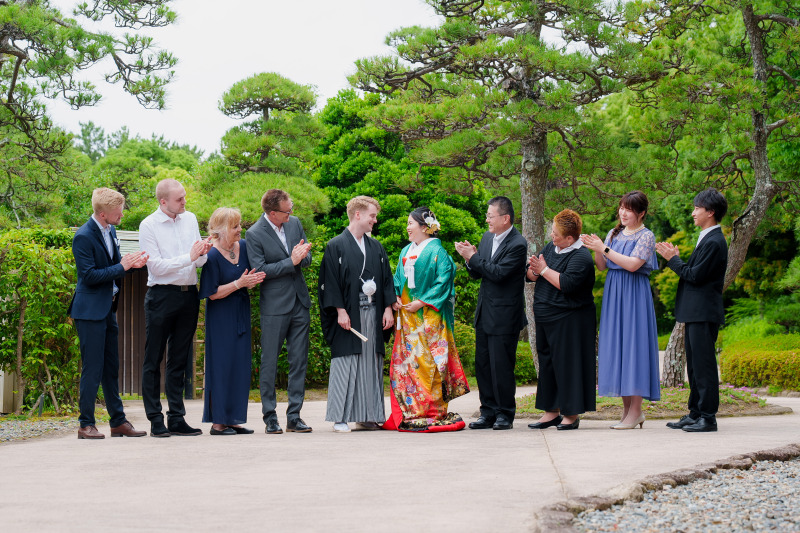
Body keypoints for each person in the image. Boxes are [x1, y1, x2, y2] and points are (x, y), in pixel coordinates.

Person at [70, 188, 149, 439]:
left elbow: (113, 267)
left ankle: (118, 422)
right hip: (89, 311)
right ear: (102, 214)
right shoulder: (83, 236)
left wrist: (131, 265)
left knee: (111, 367)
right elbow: (90, 276)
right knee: (92, 369)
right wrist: (121, 266)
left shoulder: (110, 230)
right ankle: (86, 424)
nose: (122, 215)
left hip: (108, 309)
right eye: (118, 212)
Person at [385, 207, 470, 432]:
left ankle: (432, 410)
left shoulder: (439, 253)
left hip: (429, 317)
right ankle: (412, 410)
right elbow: (396, 278)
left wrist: (421, 302)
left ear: (424, 227)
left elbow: (444, 281)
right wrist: (394, 296)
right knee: (409, 362)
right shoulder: (406, 250)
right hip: (406, 315)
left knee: (429, 362)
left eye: (410, 223)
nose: (407, 227)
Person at [139, 178, 212, 437]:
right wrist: (189, 257)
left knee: (179, 359)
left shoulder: (190, 218)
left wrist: (203, 252)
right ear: (163, 202)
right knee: (153, 358)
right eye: (179, 199)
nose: (184, 202)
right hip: (161, 295)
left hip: (188, 295)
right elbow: (156, 266)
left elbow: (199, 261)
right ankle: (155, 419)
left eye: (184, 197)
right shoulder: (148, 225)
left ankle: (177, 418)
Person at [581, 191, 660, 430]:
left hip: (634, 294)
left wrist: (603, 248)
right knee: (620, 348)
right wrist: (596, 248)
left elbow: (634, 265)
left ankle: (636, 411)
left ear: (641, 213)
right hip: (615, 293)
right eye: (621, 208)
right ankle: (628, 411)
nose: (623, 213)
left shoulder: (647, 236)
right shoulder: (613, 233)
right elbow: (603, 266)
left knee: (634, 348)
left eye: (629, 209)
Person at [318, 196, 395, 433]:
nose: (375, 220)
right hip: (349, 313)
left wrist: (388, 308)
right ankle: (339, 417)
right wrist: (339, 310)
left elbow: (385, 279)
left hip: (373, 310)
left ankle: (368, 415)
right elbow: (329, 281)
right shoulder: (336, 245)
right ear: (358, 215)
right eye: (372, 215)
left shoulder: (376, 246)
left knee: (371, 362)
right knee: (346, 362)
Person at [656, 188, 728, 433]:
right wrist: (677, 259)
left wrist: (672, 259)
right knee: (695, 366)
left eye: (697, 208)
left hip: (704, 312)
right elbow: (695, 273)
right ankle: (695, 412)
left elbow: (694, 276)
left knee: (704, 365)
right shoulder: (706, 237)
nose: (693, 212)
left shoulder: (715, 240)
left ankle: (708, 417)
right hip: (696, 311)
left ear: (711, 212)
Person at [455, 196, 527, 430]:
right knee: (483, 365)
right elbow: (479, 273)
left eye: (490, 216)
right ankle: (487, 411)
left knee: (501, 366)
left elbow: (497, 273)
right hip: (484, 312)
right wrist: (470, 260)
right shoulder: (487, 237)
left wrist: (472, 258)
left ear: (505, 218)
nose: (487, 219)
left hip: (505, 316)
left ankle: (505, 413)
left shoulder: (518, 244)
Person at [247, 189, 314, 434]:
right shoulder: (254, 233)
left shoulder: (294, 223)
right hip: (274, 306)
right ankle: (270, 417)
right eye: (287, 210)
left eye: (291, 207)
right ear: (272, 213)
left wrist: (303, 256)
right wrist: (291, 261)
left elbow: (306, 258)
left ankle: (294, 416)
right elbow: (260, 269)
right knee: (270, 362)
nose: (292, 213)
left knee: (299, 361)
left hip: (300, 302)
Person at [526, 209, 596, 431]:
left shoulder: (582, 256)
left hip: (570, 318)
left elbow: (565, 284)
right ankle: (551, 411)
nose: (552, 236)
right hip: (545, 316)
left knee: (568, 365)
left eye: (556, 233)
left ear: (570, 238)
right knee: (548, 364)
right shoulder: (551, 247)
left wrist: (544, 269)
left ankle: (571, 414)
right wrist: (535, 270)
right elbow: (531, 275)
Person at [199, 208, 265, 435]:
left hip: (241, 313)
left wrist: (251, 281)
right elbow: (212, 293)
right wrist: (240, 283)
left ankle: (235, 419)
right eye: (235, 226)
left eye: (239, 226)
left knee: (240, 366)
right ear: (220, 230)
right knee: (221, 367)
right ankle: (218, 422)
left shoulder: (244, 247)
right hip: (221, 318)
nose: (240, 230)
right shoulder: (212, 255)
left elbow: (248, 278)